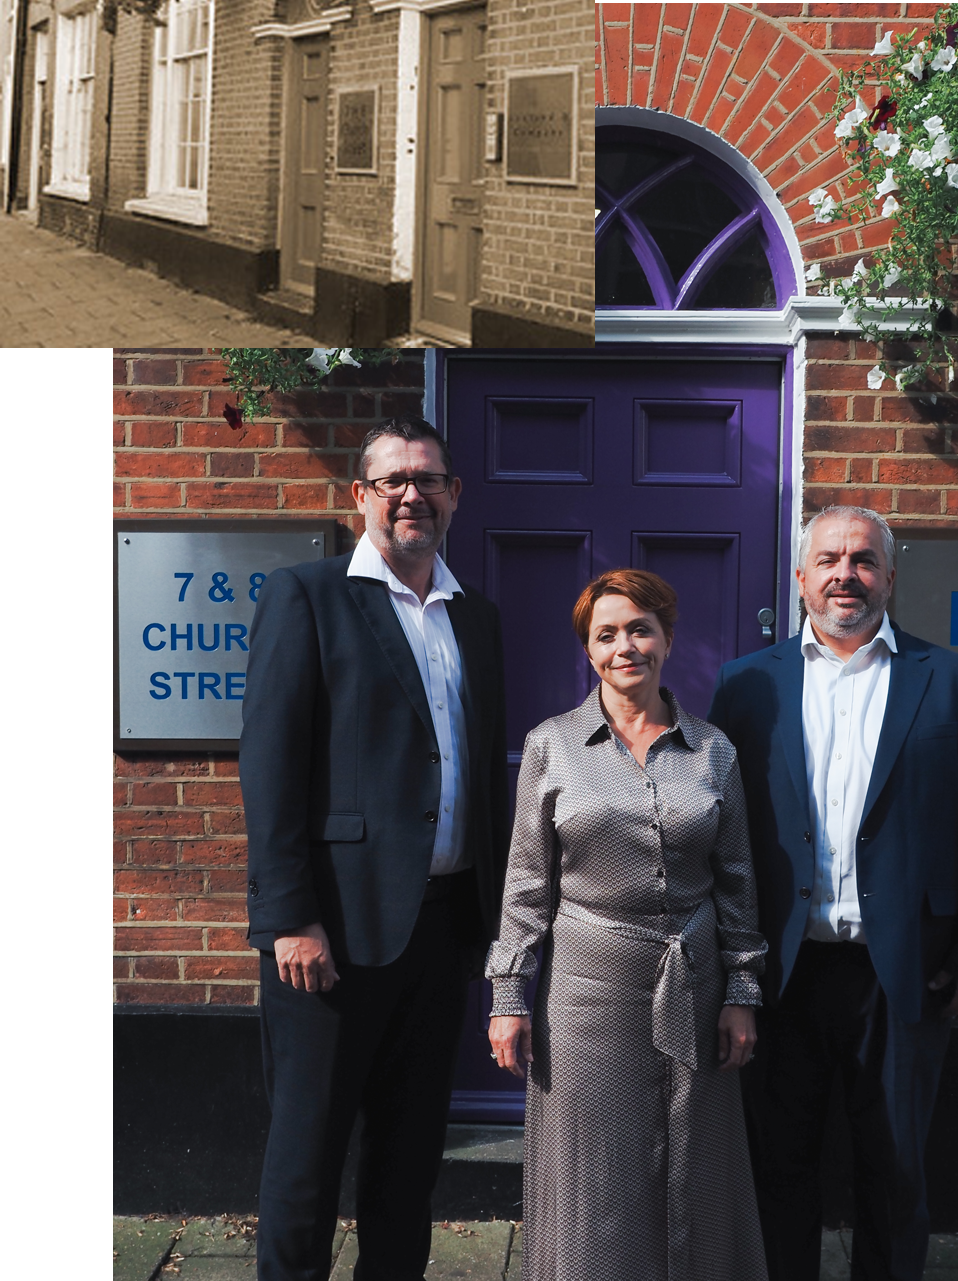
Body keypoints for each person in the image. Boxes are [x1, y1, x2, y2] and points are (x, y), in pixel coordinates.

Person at [708, 504, 958, 1281]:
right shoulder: (745, 686)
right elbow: (719, 829)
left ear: (889, 575)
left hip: (902, 971)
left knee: (894, 1175)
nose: (846, 574)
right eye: (830, 560)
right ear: (801, 577)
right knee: (781, 1169)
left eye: (863, 560)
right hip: (783, 971)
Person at [239, 415, 509, 1281]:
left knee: (408, 1161)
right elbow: (271, 768)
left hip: (439, 933)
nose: (411, 494)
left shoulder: (477, 619)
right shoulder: (308, 596)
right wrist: (290, 917)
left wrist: (488, 923)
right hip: (332, 937)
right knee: (306, 1163)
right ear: (360, 496)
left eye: (428, 478)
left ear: (453, 495)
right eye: (391, 479)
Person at [487, 568, 768, 1281]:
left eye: (640, 628)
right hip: (585, 998)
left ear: (667, 638)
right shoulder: (551, 745)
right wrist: (510, 996)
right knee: (597, 1173)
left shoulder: (713, 750)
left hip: (695, 989)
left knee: (692, 1163)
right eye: (606, 633)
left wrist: (742, 991)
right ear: (588, 650)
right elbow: (525, 885)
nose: (625, 646)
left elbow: (736, 880)